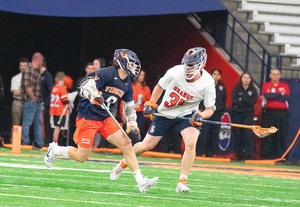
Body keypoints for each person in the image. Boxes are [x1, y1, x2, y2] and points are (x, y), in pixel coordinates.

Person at [44, 49, 158, 193]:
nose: (134, 67)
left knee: (127, 144)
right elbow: (84, 89)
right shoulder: (106, 73)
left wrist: (132, 125)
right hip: (88, 117)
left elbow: (129, 108)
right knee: (82, 156)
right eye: (132, 64)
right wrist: (94, 96)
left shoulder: (128, 82)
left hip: (105, 117)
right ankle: (55, 150)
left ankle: (141, 181)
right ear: (122, 62)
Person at [110, 47, 216, 193]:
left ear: (201, 64)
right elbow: (160, 86)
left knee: (191, 143)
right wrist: (152, 103)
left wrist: (201, 115)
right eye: (186, 64)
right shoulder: (175, 71)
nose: (187, 68)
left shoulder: (208, 82)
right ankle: (123, 164)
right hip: (166, 112)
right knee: (146, 146)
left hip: (187, 114)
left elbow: (210, 109)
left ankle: (182, 182)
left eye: (191, 65)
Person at [260, 69, 290, 159]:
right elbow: (267, 96)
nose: (275, 76)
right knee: (268, 134)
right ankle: (266, 155)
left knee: (281, 134)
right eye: (273, 74)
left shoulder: (285, 86)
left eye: (277, 74)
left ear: (280, 76)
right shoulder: (266, 85)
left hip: (282, 114)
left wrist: (274, 95)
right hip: (269, 113)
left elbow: (287, 97)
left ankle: (282, 156)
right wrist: (280, 95)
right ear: (270, 76)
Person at [197, 68, 227, 157]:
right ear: (211, 75)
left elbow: (224, 99)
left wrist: (222, 110)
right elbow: (201, 97)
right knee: (204, 133)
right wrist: (201, 108)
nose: (216, 76)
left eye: (218, 74)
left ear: (220, 76)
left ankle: (210, 153)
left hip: (217, 113)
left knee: (214, 134)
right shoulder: (206, 85)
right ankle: (199, 152)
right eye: (214, 74)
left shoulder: (222, 86)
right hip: (206, 111)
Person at [20, 52, 44, 148]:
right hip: (30, 101)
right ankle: (25, 142)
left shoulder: (36, 71)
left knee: (38, 122)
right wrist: (33, 97)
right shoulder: (29, 69)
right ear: (37, 59)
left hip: (37, 101)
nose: (42, 61)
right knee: (27, 122)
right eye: (41, 59)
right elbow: (27, 86)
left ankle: (40, 143)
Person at [231, 73, 258, 160]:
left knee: (248, 134)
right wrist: (246, 100)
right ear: (241, 79)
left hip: (248, 114)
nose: (246, 79)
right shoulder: (236, 89)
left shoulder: (253, 90)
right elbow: (235, 101)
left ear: (250, 79)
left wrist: (242, 99)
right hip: (237, 113)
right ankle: (238, 155)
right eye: (244, 77)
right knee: (237, 134)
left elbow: (252, 102)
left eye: (248, 78)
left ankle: (248, 155)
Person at [49, 72, 70, 143]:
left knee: (56, 127)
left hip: (54, 110)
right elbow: (65, 101)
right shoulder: (62, 89)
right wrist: (70, 100)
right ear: (64, 79)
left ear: (56, 79)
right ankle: (54, 142)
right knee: (58, 128)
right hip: (60, 111)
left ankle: (54, 142)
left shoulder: (54, 88)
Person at [132, 70, 151, 139]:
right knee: (131, 130)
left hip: (142, 112)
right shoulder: (131, 87)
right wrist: (123, 113)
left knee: (140, 129)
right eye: (140, 75)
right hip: (132, 111)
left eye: (143, 75)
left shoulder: (146, 89)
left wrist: (144, 100)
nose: (142, 77)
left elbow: (150, 102)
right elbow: (124, 101)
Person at [11, 58, 29, 129]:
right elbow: (15, 91)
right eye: (21, 66)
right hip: (17, 102)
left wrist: (20, 91)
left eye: (25, 66)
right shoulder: (15, 78)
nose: (23, 67)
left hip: (28, 102)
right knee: (16, 124)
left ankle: (25, 140)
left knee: (26, 124)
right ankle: (14, 140)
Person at [40, 57, 54, 147]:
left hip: (47, 105)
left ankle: (48, 141)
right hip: (42, 103)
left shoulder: (47, 76)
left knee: (47, 123)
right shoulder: (41, 75)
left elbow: (51, 91)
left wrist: (46, 104)